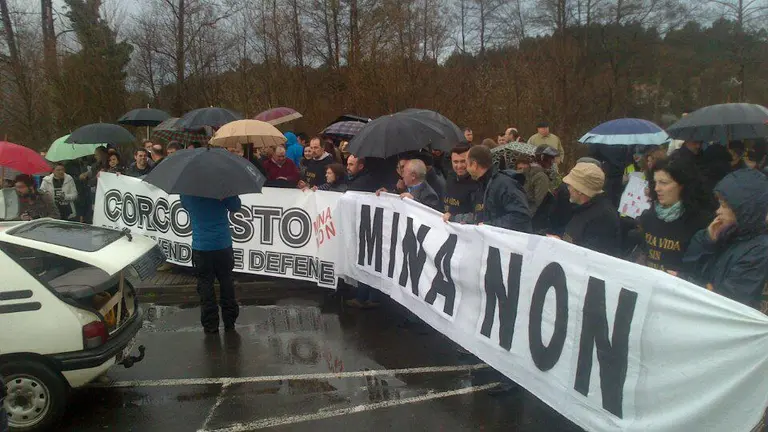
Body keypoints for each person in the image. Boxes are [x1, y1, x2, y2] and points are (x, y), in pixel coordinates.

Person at [683, 169, 768, 310]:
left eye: (724, 205)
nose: (718, 211)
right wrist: (706, 241)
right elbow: (690, 266)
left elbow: (730, 302)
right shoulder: (726, 233)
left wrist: (687, 283)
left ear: (743, 209)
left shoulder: (760, 249)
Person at [180, 193, 242, 333]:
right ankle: (229, 320)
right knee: (226, 282)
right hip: (223, 244)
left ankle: (210, 324)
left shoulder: (188, 190)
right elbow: (236, 206)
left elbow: (185, 205)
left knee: (205, 285)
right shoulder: (223, 187)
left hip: (201, 246)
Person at [637, 157, 711, 272]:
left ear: (682, 185)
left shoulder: (700, 223)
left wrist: (683, 276)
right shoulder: (648, 217)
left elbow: (701, 267)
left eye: (664, 183)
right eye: (655, 182)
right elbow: (643, 251)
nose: (657, 188)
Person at [463, 145, 531, 232]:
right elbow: (481, 215)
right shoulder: (482, 185)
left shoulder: (505, 185)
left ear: (474, 165)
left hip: (508, 243)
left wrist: (489, 226)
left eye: (467, 163)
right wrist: (456, 218)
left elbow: (521, 217)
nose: (466, 168)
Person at [559, 162, 620, 256]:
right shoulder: (583, 207)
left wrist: (560, 244)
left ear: (579, 190)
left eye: (570, 185)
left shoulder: (603, 217)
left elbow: (590, 256)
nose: (568, 188)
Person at [442, 145, 480, 220]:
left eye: (463, 161)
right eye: (455, 162)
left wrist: (453, 218)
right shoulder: (450, 177)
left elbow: (479, 216)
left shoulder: (478, 183)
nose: (459, 166)